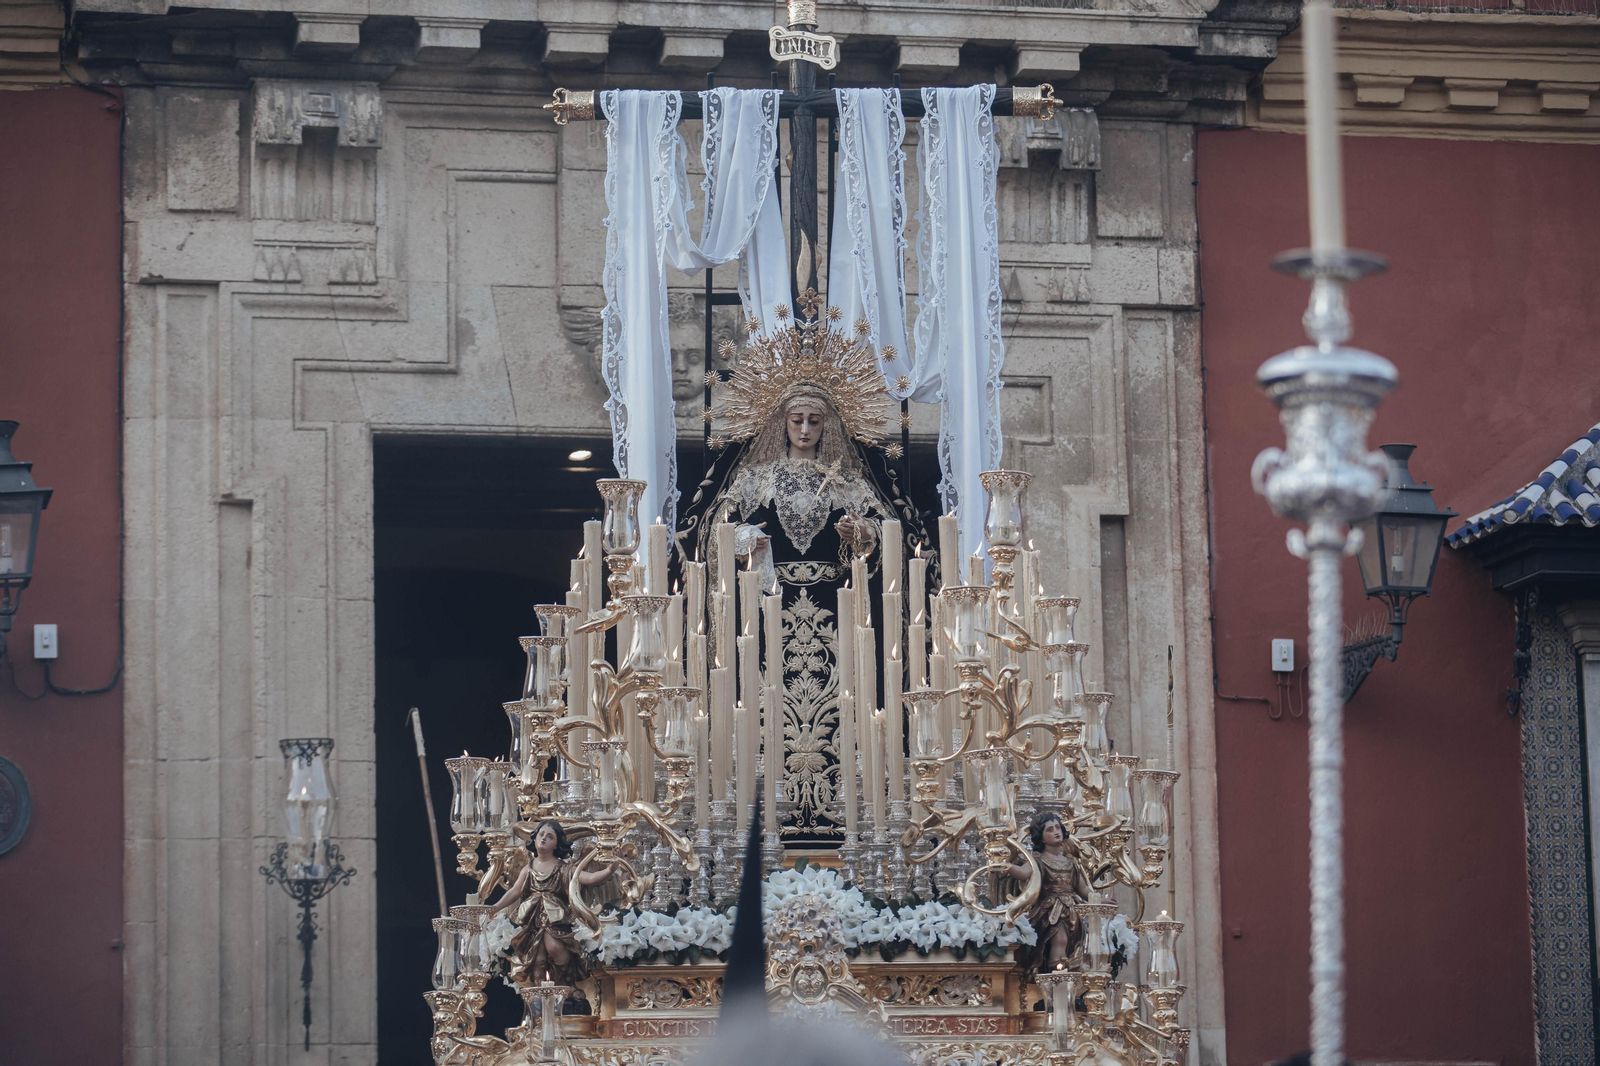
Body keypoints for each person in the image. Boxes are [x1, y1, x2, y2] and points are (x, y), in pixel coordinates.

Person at [489, 819, 615, 985]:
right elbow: (515, 891)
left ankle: (568, 984)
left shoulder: (563, 868)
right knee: (537, 956)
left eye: (550, 837)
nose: (543, 839)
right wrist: (495, 907)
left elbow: (589, 878)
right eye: (541, 835)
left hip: (555, 918)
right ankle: (540, 994)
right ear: (534, 838)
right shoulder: (529, 867)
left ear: (556, 844)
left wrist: (610, 869)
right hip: (531, 918)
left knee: (554, 947)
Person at [1009, 810, 1090, 980]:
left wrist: (1100, 900)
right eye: (1050, 829)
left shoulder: (1071, 862)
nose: (1056, 831)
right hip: (1050, 910)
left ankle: (1068, 977)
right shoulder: (1037, 860)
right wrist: (1004, 865)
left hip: (1073, 911)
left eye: (1057, 827)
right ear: (1041, 836)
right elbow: (1023, 873)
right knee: (1059, 939)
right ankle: (1057, 980)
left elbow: (1083, 889)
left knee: (1073, 945)